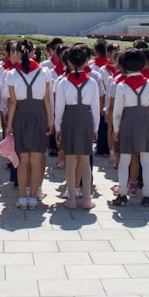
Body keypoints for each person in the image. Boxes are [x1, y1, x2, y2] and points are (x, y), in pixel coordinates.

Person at [5, 38, 52, 209]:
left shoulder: (11, 74)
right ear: (33, 53)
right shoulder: (44, 72)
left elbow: (12, 102)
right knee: (37, 156)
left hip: (20, 115)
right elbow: (47, 99)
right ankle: (34, 195)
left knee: (23, 158)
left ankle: (23, 196)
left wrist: (9, 124)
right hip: (39, 113)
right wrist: (50, 119)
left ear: (17, 53)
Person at [110, 48, 149, 207]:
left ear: (123, 65)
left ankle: (122, 193)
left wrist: (116, 129)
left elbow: (117, 112)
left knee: (125, 159)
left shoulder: (122, 85)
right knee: (145, 158)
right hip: (145, 120)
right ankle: (146, 194)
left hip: (128, 121)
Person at [54, 43, 100, 210]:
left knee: (71, 160)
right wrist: (96, 128)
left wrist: (58, 128)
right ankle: (87, 198)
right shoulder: (92, 83)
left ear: (69, 63)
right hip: (86, 120)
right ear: (86, 62)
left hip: (69, 120)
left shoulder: (63, 83)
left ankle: (72, 198)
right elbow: (95, 107)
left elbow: (58, 108)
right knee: (86, 161)